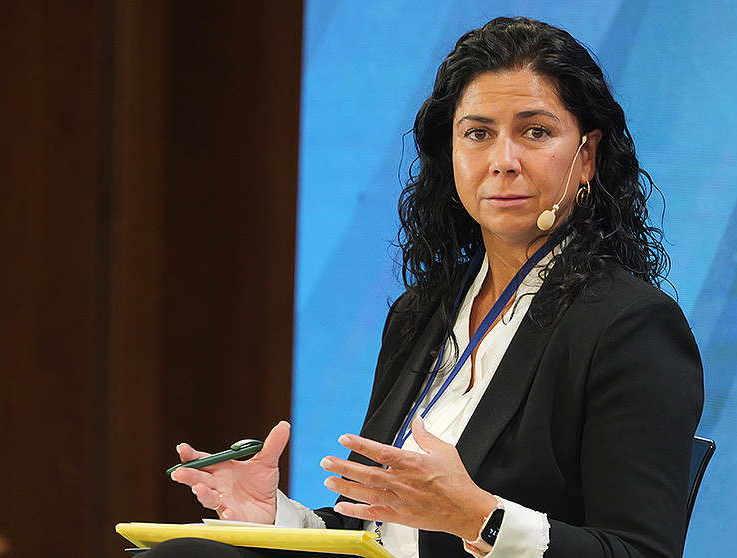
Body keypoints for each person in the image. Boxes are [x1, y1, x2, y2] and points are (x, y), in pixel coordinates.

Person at [148, 16, 703, 558]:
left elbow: (639, 550)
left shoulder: (630, 327)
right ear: (451, 155)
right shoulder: (421, 314)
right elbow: (381, 535)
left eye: (535, 132)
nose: (503, 161)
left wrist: (481, 519)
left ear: (586, 157)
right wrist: (274, 516)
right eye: (478, 134)